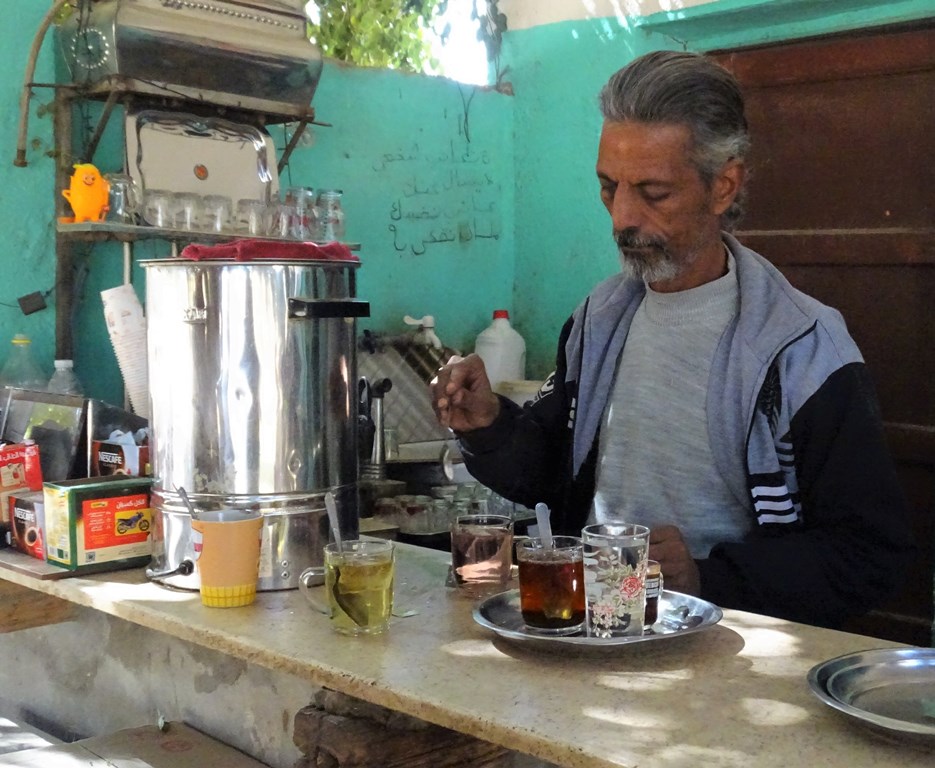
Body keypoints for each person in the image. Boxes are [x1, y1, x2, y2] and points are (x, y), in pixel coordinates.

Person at [430, 50, 913, 629]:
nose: (621, 218)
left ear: (724, 186)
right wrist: (488, 423)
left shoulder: (805, 350)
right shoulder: (599, 320)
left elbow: (869, 558)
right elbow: (550, 475)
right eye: (609, 187)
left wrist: (708, 577)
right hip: (597, 632)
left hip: (734, 656)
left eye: (653, 193)